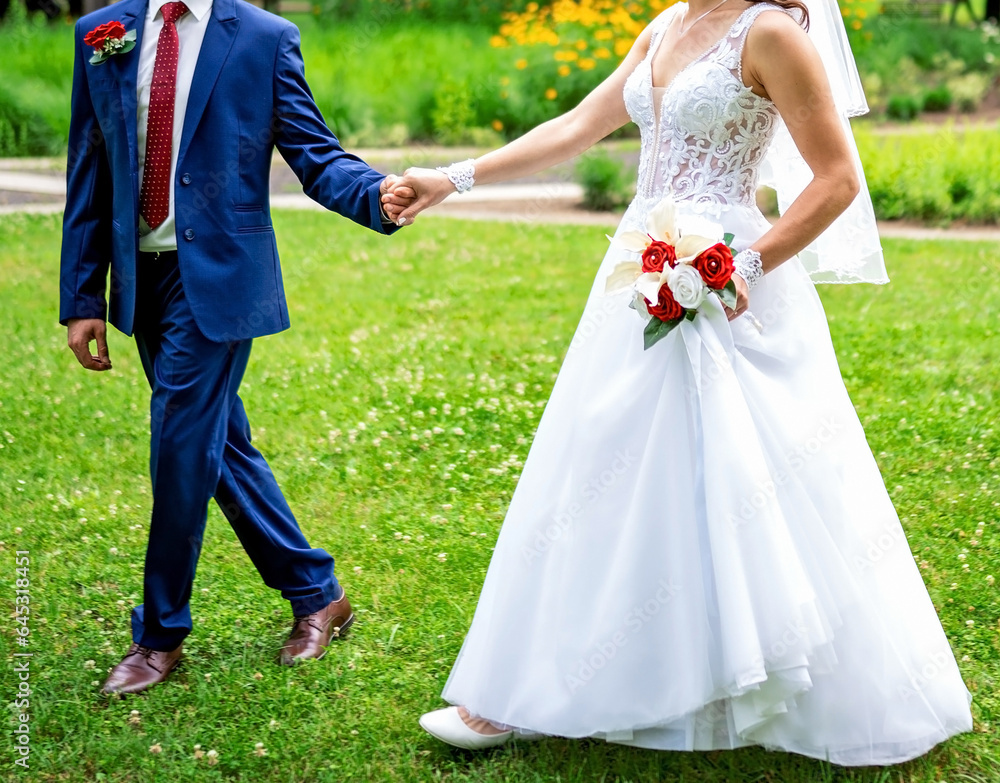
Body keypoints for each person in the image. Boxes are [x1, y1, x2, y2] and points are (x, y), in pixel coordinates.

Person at [381, 0, 973, 765]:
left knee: (753, 476)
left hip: (727, 276)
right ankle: (539, 687)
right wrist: (451, 178)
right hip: (638, 267)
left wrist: (739, 267)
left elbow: (835, 180)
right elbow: (577, 127)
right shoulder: (663, 25)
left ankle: (781, 674)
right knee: (601, 463)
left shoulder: (770, 33)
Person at [60, 0, 413, 694]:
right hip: (142, 279)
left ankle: (159, 633)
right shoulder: (102, 34)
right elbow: (88, 166)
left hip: (218, 283)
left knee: (181, 442)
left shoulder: (262, 38)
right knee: (219, 443)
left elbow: (312, 151)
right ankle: (316, 591)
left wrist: (378, 194)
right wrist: (82, 297)